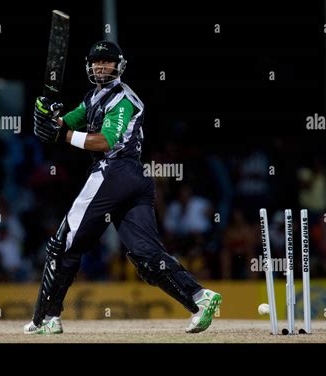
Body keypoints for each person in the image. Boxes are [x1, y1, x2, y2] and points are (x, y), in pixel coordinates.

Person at [24, 40, 221, 334]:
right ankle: (200, 297)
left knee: (63, 244)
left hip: (113, 173)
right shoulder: (93, 97)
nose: (101, 66)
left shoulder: (123, 100)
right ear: (89, 66)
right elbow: (62, 123)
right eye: (96, 62)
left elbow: (104, 142)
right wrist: (45, 112)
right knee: (146, 256)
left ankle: (46, 319)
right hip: (133, 181)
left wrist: (61, 136)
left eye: (107, 61)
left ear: (119, 65)